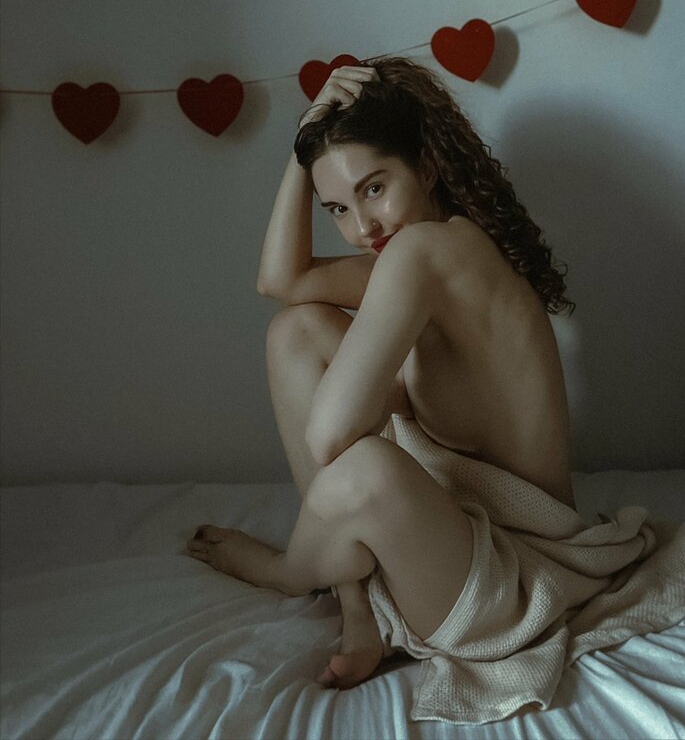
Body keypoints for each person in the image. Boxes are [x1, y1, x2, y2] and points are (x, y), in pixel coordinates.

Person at [187, 56, 576, 692]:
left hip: (512, 579)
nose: (361, 227)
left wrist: (291, 558)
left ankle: (294, 571)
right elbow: (281, 282)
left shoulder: (431, 251)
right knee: (296, 331)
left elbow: (329, 437)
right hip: (447, 535)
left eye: (374, 188)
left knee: (364, 462)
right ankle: (356, 607)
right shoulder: (424, 251)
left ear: (427, 166)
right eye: (337, 208)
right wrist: (303, 147)